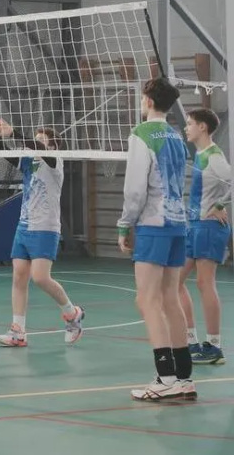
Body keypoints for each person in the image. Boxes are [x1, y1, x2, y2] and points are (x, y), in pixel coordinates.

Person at [118, 77, 194, 401]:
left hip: (153, 223)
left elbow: (136, 188)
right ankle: (184, 377)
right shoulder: (177, 136)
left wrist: (125, 224)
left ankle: (165, 377)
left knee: (147, 300)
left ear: (148, 101)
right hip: (178, 222)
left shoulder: (142, 134)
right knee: (170, 298)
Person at [0, 118, 84, 348]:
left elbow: (38, 148)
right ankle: (18, 331)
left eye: (41, 140)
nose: (36, 143)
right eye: (36, 138)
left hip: (45, 228)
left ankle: (72, 314)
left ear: (53, 146)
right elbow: (4, 153)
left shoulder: (55, 162)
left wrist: (15, 132)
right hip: (24, 226)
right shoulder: (29, 162)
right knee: (18, 278)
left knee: (40, 278)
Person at [178, 108, 229, 366]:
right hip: (194, 225)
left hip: (209, 227)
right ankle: (191, 341)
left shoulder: (214, 155)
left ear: (203, 127)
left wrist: (220, 205)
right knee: (175, 281)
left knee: (204, 283)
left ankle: (214, 346)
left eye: (189, 124)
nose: (186, 128)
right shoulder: (200, 154)